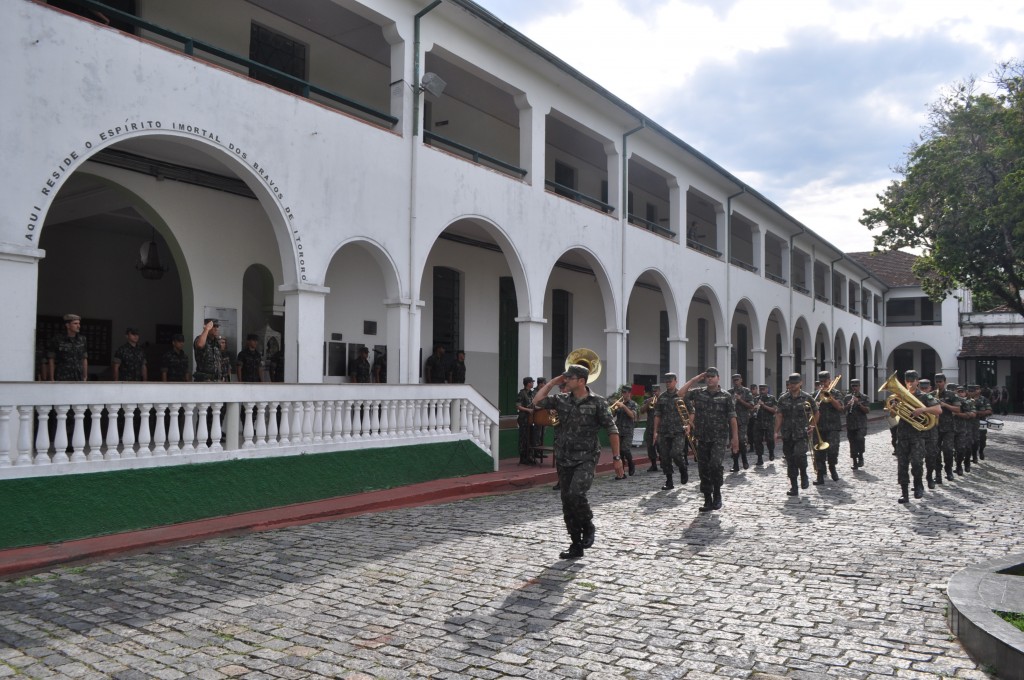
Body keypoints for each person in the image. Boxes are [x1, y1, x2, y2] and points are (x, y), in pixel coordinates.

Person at [532, 363, 621, 560]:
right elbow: (537, 401)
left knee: (576, 494)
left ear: (581, 381)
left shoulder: (597, 402)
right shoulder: (561, 399)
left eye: (569, 378)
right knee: (567, 502)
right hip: (564, 457)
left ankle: (588, 525)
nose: (566, 381)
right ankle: (575, 544)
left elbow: (612, 429)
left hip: (587, 457)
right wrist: (554, 381)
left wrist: (617, 458)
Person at [686, 367, 739, 512]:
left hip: (719, 438)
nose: (709, 379)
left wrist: (735, 438)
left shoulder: (726, 396)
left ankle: (717, 493)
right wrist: (695, 379)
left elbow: (732, 418)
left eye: (712, 376)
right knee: (703, 469)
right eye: (707, 376)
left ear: (718, 378)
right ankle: (707, 499)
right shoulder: (698, 393)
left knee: (715, 465)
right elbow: (680, 394)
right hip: (702, 437)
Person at [887, 370, 942, 503]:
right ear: (905, 382)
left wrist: (923, 410)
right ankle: (904, 493)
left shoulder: (925, 396)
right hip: (902, 435)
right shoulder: (898, 396)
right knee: (902, 465)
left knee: (917, 463)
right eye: (908, 381)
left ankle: (918, 484)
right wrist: (893, 408)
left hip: (918, 436)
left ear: (918, 381)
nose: (910, 384)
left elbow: (938, 410)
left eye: (913, 381)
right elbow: (893, 416)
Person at [652, 372, 706, 490]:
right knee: (664, 457)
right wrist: (655, 432)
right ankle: (669, 480)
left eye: (670, 381)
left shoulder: (682, 395)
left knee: (676, 454)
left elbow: (691, 412)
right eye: (666, 381)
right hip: (664, 431)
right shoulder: (662, 397)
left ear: (675, 381)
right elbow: (657, 415)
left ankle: (683, 469)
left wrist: (688, 425)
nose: (668, 384)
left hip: (678, 431)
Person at [774, 373, 816, 497]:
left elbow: (816, 412)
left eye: (795, 383)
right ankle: (794, 487)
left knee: (799, 455)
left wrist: (812, 425)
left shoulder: (807, 398)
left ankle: (803, 473)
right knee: (790, 461)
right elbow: (779, 415)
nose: (792, 386)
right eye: (790, 384)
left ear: (800, 383)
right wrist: (776, 431)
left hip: (801, 433)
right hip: (787, 434)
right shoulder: (783, 398)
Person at [812, 370, 844, 484]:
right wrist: (814, 405)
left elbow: (840, 408)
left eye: (825, 381)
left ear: (829, 381)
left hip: (833, 427)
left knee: (833, 450)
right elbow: (809, 410)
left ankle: (832, 468)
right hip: (819, 427)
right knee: (818, 452)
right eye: (821, 381)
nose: (823, 384)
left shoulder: (836, 393)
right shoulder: (814, 395)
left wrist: (831, 398)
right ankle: (820, 475)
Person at [933, 374, 961, 482]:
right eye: (937, 381)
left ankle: (949, 471)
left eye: (940, 381)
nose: (938, 383)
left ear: (944, 382)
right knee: (935, 452)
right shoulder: (931, 395)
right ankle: (938, 474)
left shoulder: (952, 394)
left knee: (948, 450)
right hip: (935, 427)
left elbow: (957, 409)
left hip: (948, 428)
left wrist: (945, 405)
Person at [48, 313, 88, 382]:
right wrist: (52, 378)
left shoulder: (82, 339)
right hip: (62, 376)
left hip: (78, 377)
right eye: (75, 323)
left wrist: (85, 376)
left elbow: (84, 358)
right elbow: (51, 359)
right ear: (67, 325)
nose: (78, 326)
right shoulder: (57, 339)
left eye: (79, 323)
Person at [918, 378, 942, 488]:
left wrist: (924, 410)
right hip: (918, 431)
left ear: (930, 388)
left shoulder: (930, 397)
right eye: (921, 388)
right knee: (917, 459)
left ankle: (929, 476)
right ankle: (918, 482)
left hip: (931, 432)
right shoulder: (915, 397)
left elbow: (937, 411)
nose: (923, 390)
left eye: (925, 388)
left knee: (931, 456)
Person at [728, 373, 755, 472]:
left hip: (742, 420)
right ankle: (735, 465)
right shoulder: (729, 392)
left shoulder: (746, 391)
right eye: (734, 380)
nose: (735, 381)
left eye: (737, 379)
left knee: (741, 440)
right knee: (733, 441)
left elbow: (751, 406)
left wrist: (740, 400)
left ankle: (744, 459)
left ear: (741, 380)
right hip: (732, 420)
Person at [610, 384, 637, 478]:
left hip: (628, 430)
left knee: (625, 449)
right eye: (622, 392)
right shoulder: (619, 403)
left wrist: (624, 407)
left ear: (629, 393)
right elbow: (612, 415)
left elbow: (632, 416)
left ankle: (631, 463)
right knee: (619, 453)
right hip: (619, 430)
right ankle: (621, 474)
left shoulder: (633, 404)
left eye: (625, 392)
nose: (623, 394)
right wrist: (613, 409)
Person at [844, 378, 871, 469]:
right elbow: (843, 410)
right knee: (852, 442)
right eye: (853, 386)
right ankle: (855, 461)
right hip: (851, 423)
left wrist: (858, 403)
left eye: (856, 386)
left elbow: (867, 410)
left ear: (859, 386)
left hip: (861, 424)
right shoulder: (847, 397)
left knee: (860, 439)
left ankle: (861, 456)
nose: (854, 388)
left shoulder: (864, 397)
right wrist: (848, 405)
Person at [753, 384, 777, 465]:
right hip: (758, 423)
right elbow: (751, 410)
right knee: (757, 441)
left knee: (770, 440)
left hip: (769, 423)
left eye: (763, 389)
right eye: (760, 389)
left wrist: (763, 405)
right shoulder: (756, 399)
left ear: (767, 390)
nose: (762, 391)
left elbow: (774, 410)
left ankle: (771, 452)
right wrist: (754, 408)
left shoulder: (772, 398)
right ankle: (759, 458)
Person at [953, 384, 975, 475]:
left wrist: (957, 414)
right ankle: (958, 466)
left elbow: (973, 414)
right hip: (954, 428)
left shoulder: (970, 402)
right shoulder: (953, 401)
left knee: (967, 447)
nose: (960, 393)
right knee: (957, 449)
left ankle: (967, 463)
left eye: (962, 391)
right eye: (959, 391)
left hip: (966, 428)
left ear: (965, 393)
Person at [639, 384, 661, 472]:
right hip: (650, 427)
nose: (654, 393)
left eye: (656, 391)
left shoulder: (663, 400)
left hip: (660, 428)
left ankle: (664, 462)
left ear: (659, 391)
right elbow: (642, 411)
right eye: (653, 391)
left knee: (661, 447)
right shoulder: (648, 400)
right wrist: (648, 403)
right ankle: (653, 465)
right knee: (650, 447)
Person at [516, 377, 536, 465]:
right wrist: (528, 410)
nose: (533, 384)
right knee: (524, 438)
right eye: (532, 382)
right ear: (528, 383)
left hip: (530, 419)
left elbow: (533, 404)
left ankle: (529, 456)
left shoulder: (531, 394)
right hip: (523, 418)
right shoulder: (521, 393)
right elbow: (518, 406)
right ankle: (523, 458)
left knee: (530, 438)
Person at [970, 384, 992, 462]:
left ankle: (981, 451)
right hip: (970, 422)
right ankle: (974, 456)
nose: (976, 390)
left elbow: (989, 410)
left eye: (977, 389)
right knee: (973, 440)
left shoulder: (984, 399)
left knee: (982, 440)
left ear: (980, 390)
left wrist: (977, 412)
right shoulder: (968, 399)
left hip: (981, 422)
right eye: (974, 389)